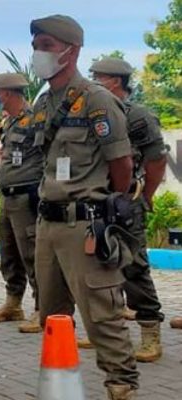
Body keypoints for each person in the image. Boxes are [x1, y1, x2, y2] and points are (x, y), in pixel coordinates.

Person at [30, 15, 138, 399]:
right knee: (52, 318)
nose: (37, 54)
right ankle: (61, 388)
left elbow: (121, 165)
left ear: (69, 51)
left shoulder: (96, 99)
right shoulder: (44, 103)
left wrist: (106, 208)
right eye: (35, 46)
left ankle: (121, 386)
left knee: (102, 315)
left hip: (84, 226)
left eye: (45, 45)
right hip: (49, 227)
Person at [90, 57, 168, 362]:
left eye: (99, 77)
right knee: (100, 267)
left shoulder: (139, 116)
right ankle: (110, 332)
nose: (94, 81)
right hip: (96, 200)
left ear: (116, 81)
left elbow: (156, 161)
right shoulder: (95, 113)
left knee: (134, 267)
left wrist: (144, 196)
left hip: (126, 201)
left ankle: (150, 333)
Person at [0, 73, 43, 334]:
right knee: (9, 253)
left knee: (32, 254)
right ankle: (13, 302)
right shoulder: (8, 123)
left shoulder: (34, 121)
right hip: (7, 196)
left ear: (7, 93)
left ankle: (42, 308)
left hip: (26, 197)